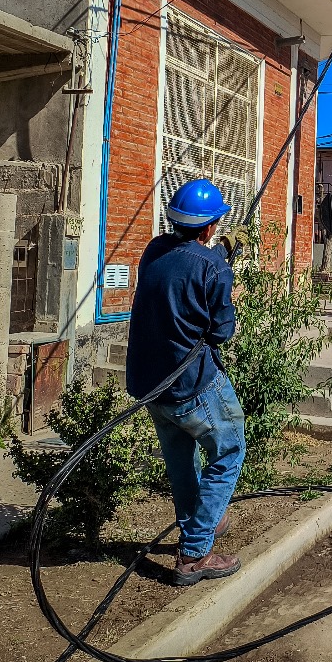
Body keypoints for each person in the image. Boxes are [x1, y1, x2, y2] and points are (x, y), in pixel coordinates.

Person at [125, 178, 245, 587]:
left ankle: (201, 520)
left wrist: (217, 255)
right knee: (228, 451)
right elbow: (221, 333)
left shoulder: (154, 250)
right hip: (193, 384)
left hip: (152, 385)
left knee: (181, 462)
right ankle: (195, 554)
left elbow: (182, 271)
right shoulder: (214, 269)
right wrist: (223, 271)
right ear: (210, 227)